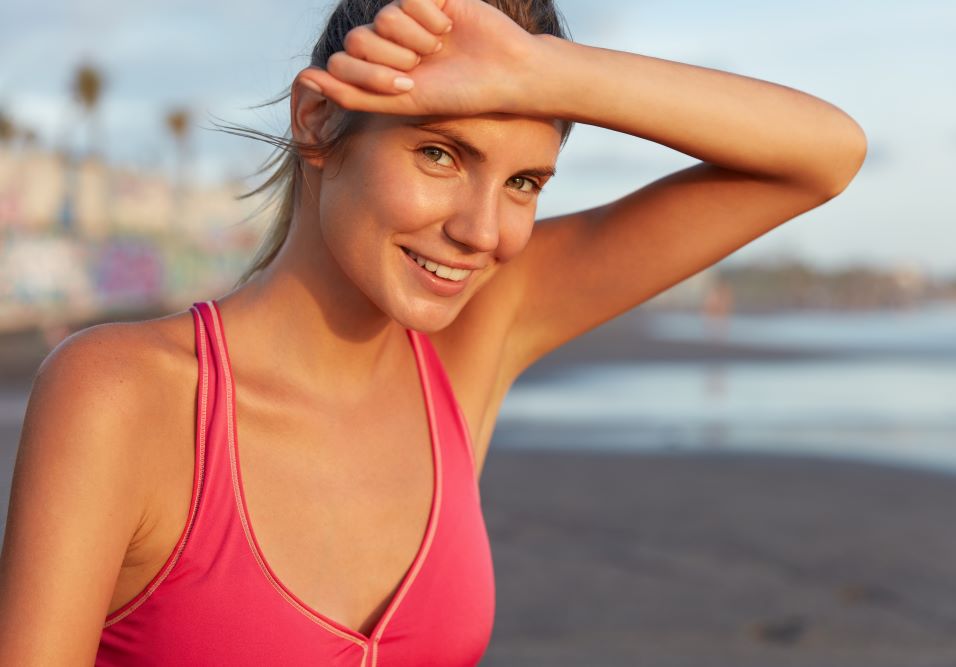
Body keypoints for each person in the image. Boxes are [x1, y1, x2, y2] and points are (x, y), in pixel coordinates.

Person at [0, 0, 866, 664]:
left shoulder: (471, 340)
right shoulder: (123, 398)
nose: (484, 231)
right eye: (440, 154)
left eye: (525, 180)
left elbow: (826, 153)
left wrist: (545, 72)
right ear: (317, 125)